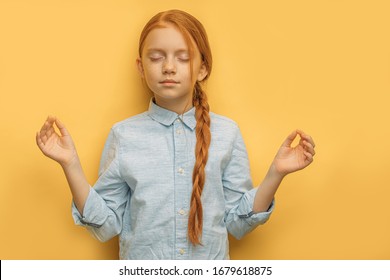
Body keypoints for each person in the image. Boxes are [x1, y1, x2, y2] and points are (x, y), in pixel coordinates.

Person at [36, 9, 315, 260]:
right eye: (156, 57)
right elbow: (107, 225)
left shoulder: (227, 133)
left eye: (183, 58)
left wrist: (276, 173)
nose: (168, 67)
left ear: (203, 68)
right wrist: (70, 164)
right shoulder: (124, 135)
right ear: (141, 68)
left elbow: (237, 223)